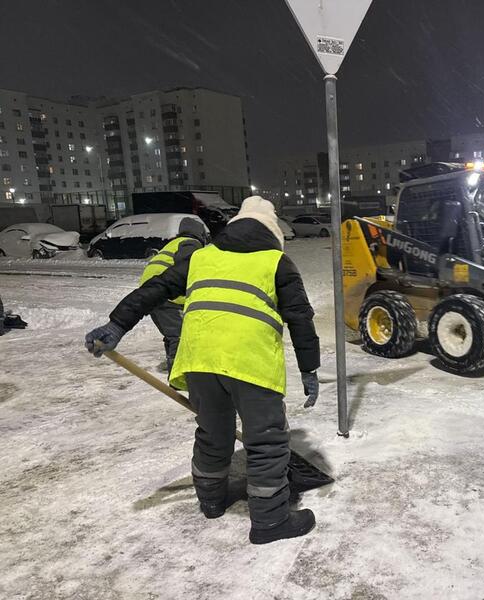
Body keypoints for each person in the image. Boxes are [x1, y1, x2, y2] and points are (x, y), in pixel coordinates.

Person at [85, 196, 321, 544]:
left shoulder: (201, 256)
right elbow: (301, 318)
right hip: (250, 364)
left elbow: (156, 289)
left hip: (198, 362)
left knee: (213, 434)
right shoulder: (277, 263)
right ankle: (270, 522)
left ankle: (211, 502)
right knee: (266, 442)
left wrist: (116, 325)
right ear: (272, 232)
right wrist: (309, 370)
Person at [139, 217, 208, 372]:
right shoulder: (190, 243)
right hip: (165, 294)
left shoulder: (173, 243)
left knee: (172, 333)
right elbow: (187, 270)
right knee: (179, 334)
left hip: (151, 291)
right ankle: (178, 372)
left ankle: (173, 362)